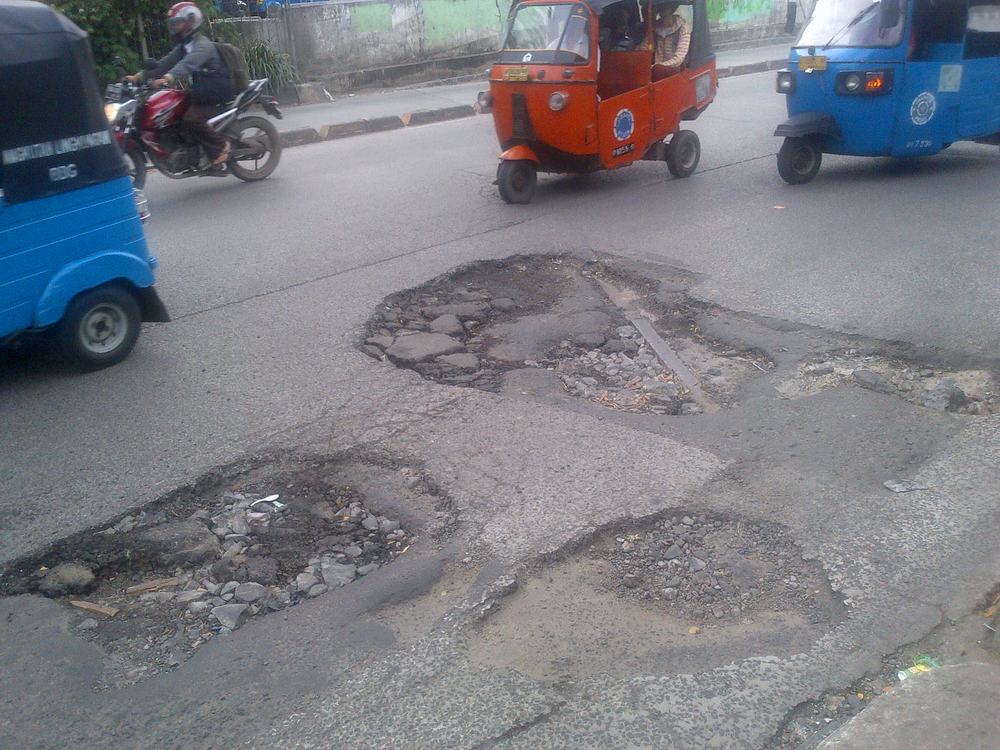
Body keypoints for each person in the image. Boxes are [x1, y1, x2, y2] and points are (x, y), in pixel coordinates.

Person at [128, 2, 231, 166]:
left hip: (215, 90)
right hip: (201, 91)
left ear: (191, 21)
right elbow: (165, 62)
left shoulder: (202, 45)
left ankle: (220, 147)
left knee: (190, 119)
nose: (175, 27)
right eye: (174, 24)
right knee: (175, 110)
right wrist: (138, 77)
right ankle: (188, 148)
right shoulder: (185, 45)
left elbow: (187, 64)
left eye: (178, 23)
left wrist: (167, 79)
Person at [652, 1, 691, 80]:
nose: (661, 13)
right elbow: (644, 46)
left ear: (672, 9)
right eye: (660, 10)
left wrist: (658, 65)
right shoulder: (656, 27)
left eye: (664, 9)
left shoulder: (683, 28)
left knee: (658, 70)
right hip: (657, 68)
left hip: (675, 70)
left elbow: (679, 58)